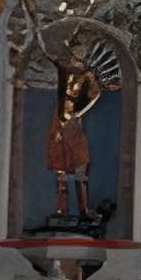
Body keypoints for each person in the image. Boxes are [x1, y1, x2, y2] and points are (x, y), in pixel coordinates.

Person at [45, 35, 102, 220]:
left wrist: (79, 112)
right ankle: (62, 211)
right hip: (59, 122)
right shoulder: (65, 71)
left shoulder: (87, 75)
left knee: (80, 164)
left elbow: (95, 95)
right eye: (78, 49)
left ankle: (84, 210)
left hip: (73, 124)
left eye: (83, 50)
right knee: (60, 166)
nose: (80, 53)